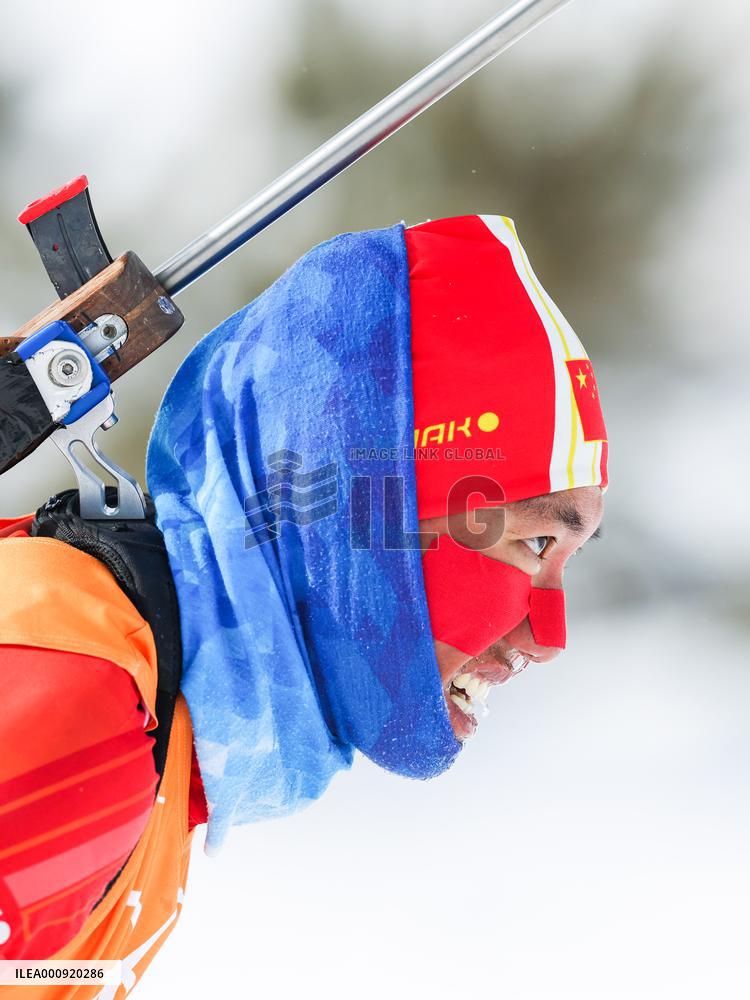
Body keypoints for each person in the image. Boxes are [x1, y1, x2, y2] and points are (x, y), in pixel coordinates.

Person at [0, 214, 607, 995]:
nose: (548, 637)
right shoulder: (88, 694)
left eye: (566, 559)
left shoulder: (158, 714)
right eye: (531, 543)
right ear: (357, 512)